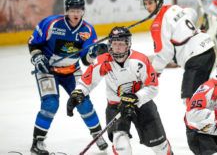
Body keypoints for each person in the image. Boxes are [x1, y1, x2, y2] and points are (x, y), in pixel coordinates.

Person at [67, 26, 173, 154]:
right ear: (110, 44)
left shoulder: (140, 61)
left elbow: (153, 87)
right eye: (115, 43)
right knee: (122, 146)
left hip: (142, 105)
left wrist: (136, 98)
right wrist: (78, 92)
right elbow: (86, 82)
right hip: (116, 107)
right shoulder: (103, 61)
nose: (117, 47)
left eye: (121, 44)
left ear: (128, 45)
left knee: (160, 147)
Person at [28, 0, 108, 154]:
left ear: (83, 11)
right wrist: (37, 57)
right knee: (50, 103)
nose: (75, 13)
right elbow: (34, 43)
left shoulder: (87, 31)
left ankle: (97, 135)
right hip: (48, 70)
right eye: (72, 10)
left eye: (79, 10)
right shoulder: (50, 23)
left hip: (72, 70)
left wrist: (94, 53)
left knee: (83, 102)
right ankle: (37, 142)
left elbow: (85, 60)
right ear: (66, 10)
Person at [141, 0, 216, 104]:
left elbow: (165, 54)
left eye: (150, 3)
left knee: (190, 102)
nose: (147, 7)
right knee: (202, 97)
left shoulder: (157, 25)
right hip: (209, 51)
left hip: (195, 59)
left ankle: (209, 120)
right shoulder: (174, 8)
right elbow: (192, 12)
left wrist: (153, 75)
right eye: (145, 3)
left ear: (158, 1)